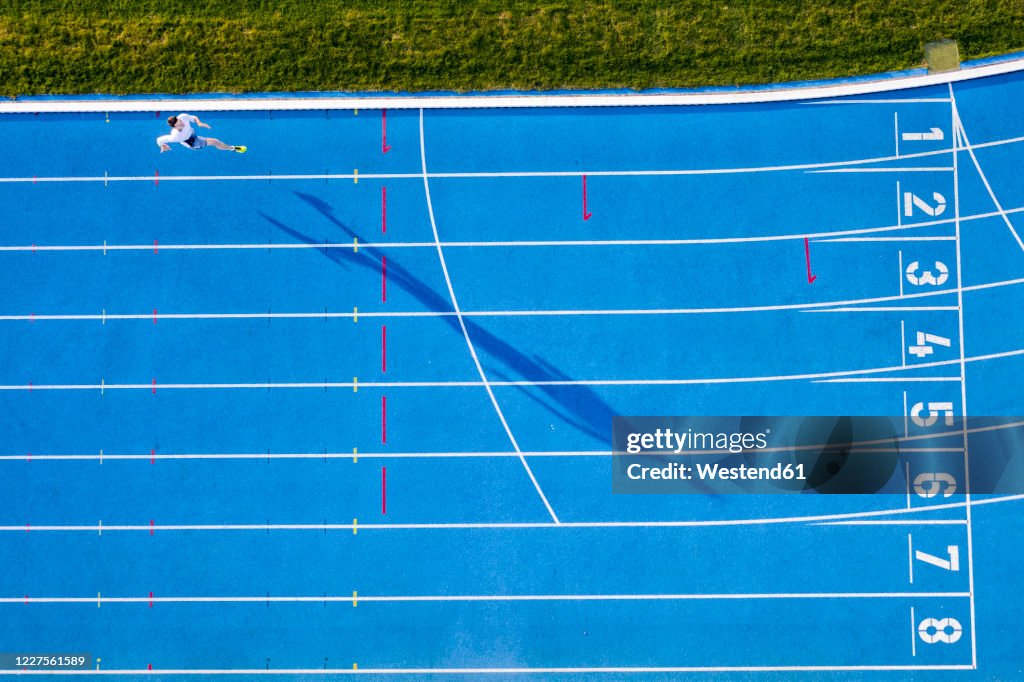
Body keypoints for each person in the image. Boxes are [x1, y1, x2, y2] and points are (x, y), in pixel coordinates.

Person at [156, 113, 247, 153]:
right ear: (175, 127)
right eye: (179, 124)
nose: (182, 123)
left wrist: (199, 123)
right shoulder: (175, 136)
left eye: (180, 120)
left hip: (193, 135)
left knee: (216, 141)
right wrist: (162, 145)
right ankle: (233, 148)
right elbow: (159, 139)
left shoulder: (182, 117)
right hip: (193, 142)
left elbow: (193, 117)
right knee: (215, 142)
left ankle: (231, 148)